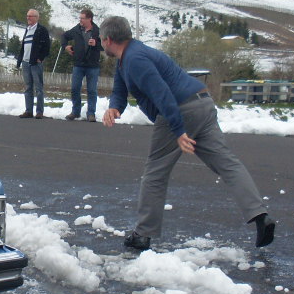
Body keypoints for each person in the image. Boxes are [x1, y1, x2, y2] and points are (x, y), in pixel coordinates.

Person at [99, 15, 275, 251]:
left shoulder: (135, 59)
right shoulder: (129, 57)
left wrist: (179, 130)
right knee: (227, 164)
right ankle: (260, 216)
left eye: (101, 40)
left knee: (155, 172)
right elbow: (120, 86)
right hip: (203, 104)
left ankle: (143, 234)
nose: (101, 44)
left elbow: (162, 94)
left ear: (108, 40)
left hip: (181, 110)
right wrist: (114, 107)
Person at [61, 7, 101, 121]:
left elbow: (105, 46)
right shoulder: (76, 29)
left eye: (83, 18)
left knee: (92, 90)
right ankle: (75, 112)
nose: (80, 20)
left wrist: (96, 44)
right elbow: (64, 36)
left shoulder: (97, 31)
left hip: (92, 65)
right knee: (74, 88)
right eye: (80, 18)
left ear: (90, 19)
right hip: (78, 64)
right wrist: (65, 46)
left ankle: (91, 113)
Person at [15, 8, 51, 118]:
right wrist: (19, 60)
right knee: (28, 87)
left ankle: (39, 112)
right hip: (25, 62)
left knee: (38, 88)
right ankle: (29, 111)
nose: (28, 18)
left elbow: (47, 46)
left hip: (35, 63)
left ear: (36, 18)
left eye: (30, 16)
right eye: (27, 16)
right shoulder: (27, 30)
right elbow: (24, 46)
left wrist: (40, 58)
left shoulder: (41, 30)